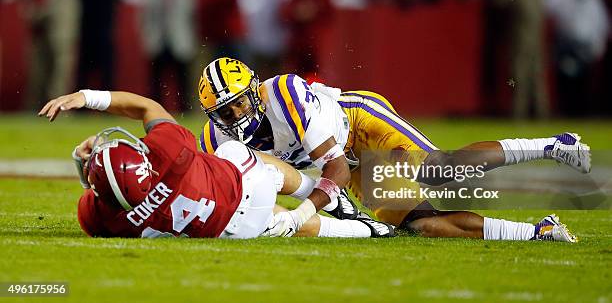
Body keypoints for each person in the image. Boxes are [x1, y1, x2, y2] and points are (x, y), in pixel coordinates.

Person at [198, 57, 586, 242]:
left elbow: (334, 170)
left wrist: (300, 215)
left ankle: (553, 144)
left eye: (239, 103)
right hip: (345, 166)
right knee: (421, 225)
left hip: (358, 125)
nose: (234, 115)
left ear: (254, 91)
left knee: (440, 170)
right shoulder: (216, 139)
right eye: (223, 111)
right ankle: (538, 231)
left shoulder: (284, 94)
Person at [38, 89, 394, 239]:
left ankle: (364, 231)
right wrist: (87, 97)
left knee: (279, 223)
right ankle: (321, 193)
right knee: (237, 154)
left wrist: (95, 175)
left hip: (232, 231)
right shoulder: (166, 150)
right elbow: (146, 108)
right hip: (243, 187)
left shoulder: (98, 217)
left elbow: (102, 193)